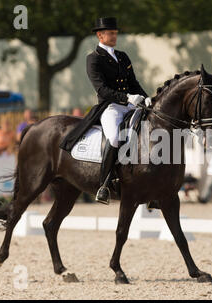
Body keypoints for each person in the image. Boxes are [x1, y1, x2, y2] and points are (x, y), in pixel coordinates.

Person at [59, 17, 152, 204]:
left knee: (151, 132)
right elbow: (101, 89)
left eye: (116, 33)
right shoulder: (93, 59)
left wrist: (146, 97)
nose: (114, 36)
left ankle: (151, 185)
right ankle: (104, 184)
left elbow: (133, 83)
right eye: (111, 33)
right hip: (111, 107)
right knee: (115, 138)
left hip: (131, 104)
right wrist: (126, 98)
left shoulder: (123, 56)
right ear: (100, 35)